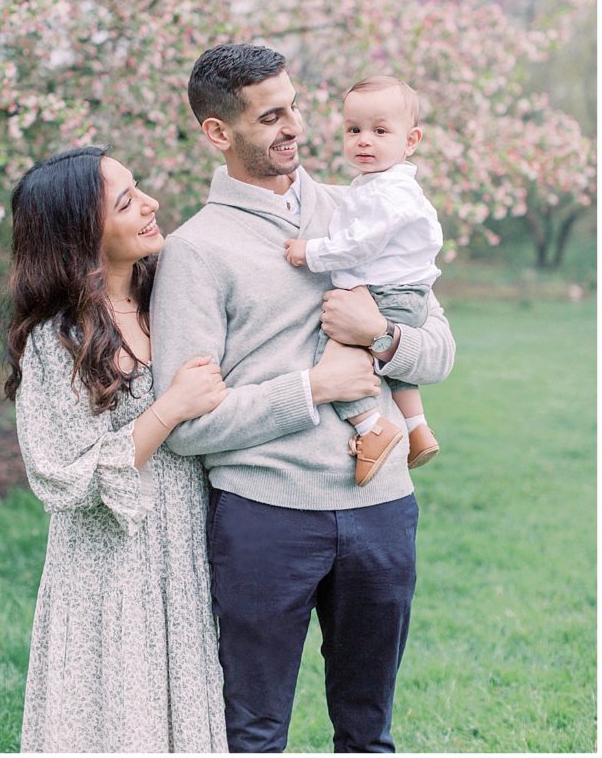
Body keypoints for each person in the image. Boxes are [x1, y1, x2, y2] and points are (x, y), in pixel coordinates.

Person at [150, 43, 456, 753]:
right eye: (271, 117)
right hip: (265, 518)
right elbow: (187, 429)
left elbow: (437, 352)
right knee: (253, 734)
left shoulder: (366, 209)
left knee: (368, 730)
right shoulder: (196, 252)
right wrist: (313, 389)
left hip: (381, 508)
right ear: (218, 133)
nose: (295, 128)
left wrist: (381, 338)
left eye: (295, 108)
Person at [3, 146, 229, 753]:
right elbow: (61, 479)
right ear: (81, 235)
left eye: (139, 189)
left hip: (185, 550)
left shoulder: (172, 299)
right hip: (108, 567)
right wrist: (169, 407)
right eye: (125, 202)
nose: (151, 204)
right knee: (120, 720)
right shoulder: (56, 340)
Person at [284, 74, 443, 486]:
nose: (363, 141)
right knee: (395, 367)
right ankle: (417, 426)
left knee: (332, 355)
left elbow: (358, 245)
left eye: (380, 130)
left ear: (411, 141)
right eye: (354, 130)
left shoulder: (385, 194)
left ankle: (372, 427)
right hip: (406, 293)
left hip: (387, 294)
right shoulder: (381, 187)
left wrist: (311, 251)